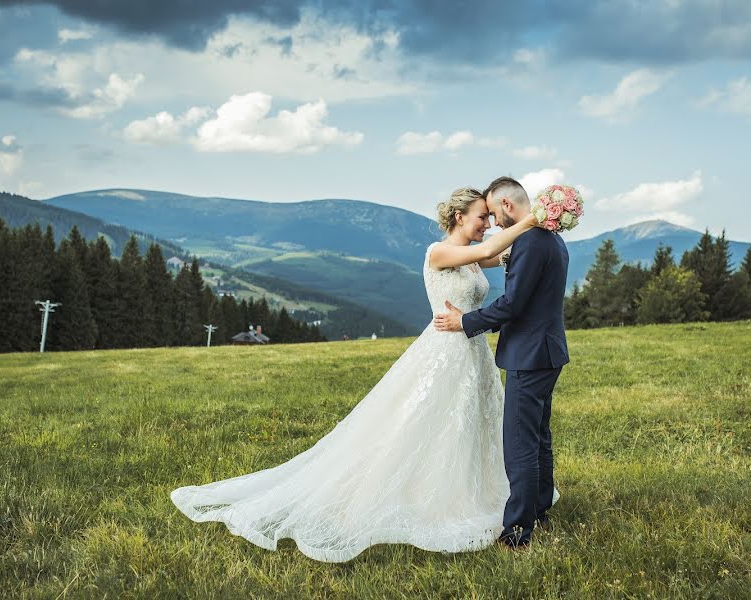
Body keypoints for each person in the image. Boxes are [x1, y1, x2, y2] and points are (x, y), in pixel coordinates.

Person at [170, 187, 547, 562]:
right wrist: (532, 218)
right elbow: (486, 250)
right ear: (460, 217)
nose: (489, 224)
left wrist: (545, 226)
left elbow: (506, 254)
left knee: (471, 425)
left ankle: (476, 492)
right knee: (427, 423)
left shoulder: (470, 260)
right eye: (483, 217)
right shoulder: (442, 252)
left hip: (473, 351)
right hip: (445, 350)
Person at [435, 176, 569, 548]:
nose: (492, 223)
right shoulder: (552, 239)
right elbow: (490, 255)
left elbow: (512, 305)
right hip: (547, 351)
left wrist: (465, 321)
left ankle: (517, 531)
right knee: (539, 437)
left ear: (507, 207)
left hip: (530, 354)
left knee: (520, 444)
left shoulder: (530, 240)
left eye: (492, 214)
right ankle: (539, 510)